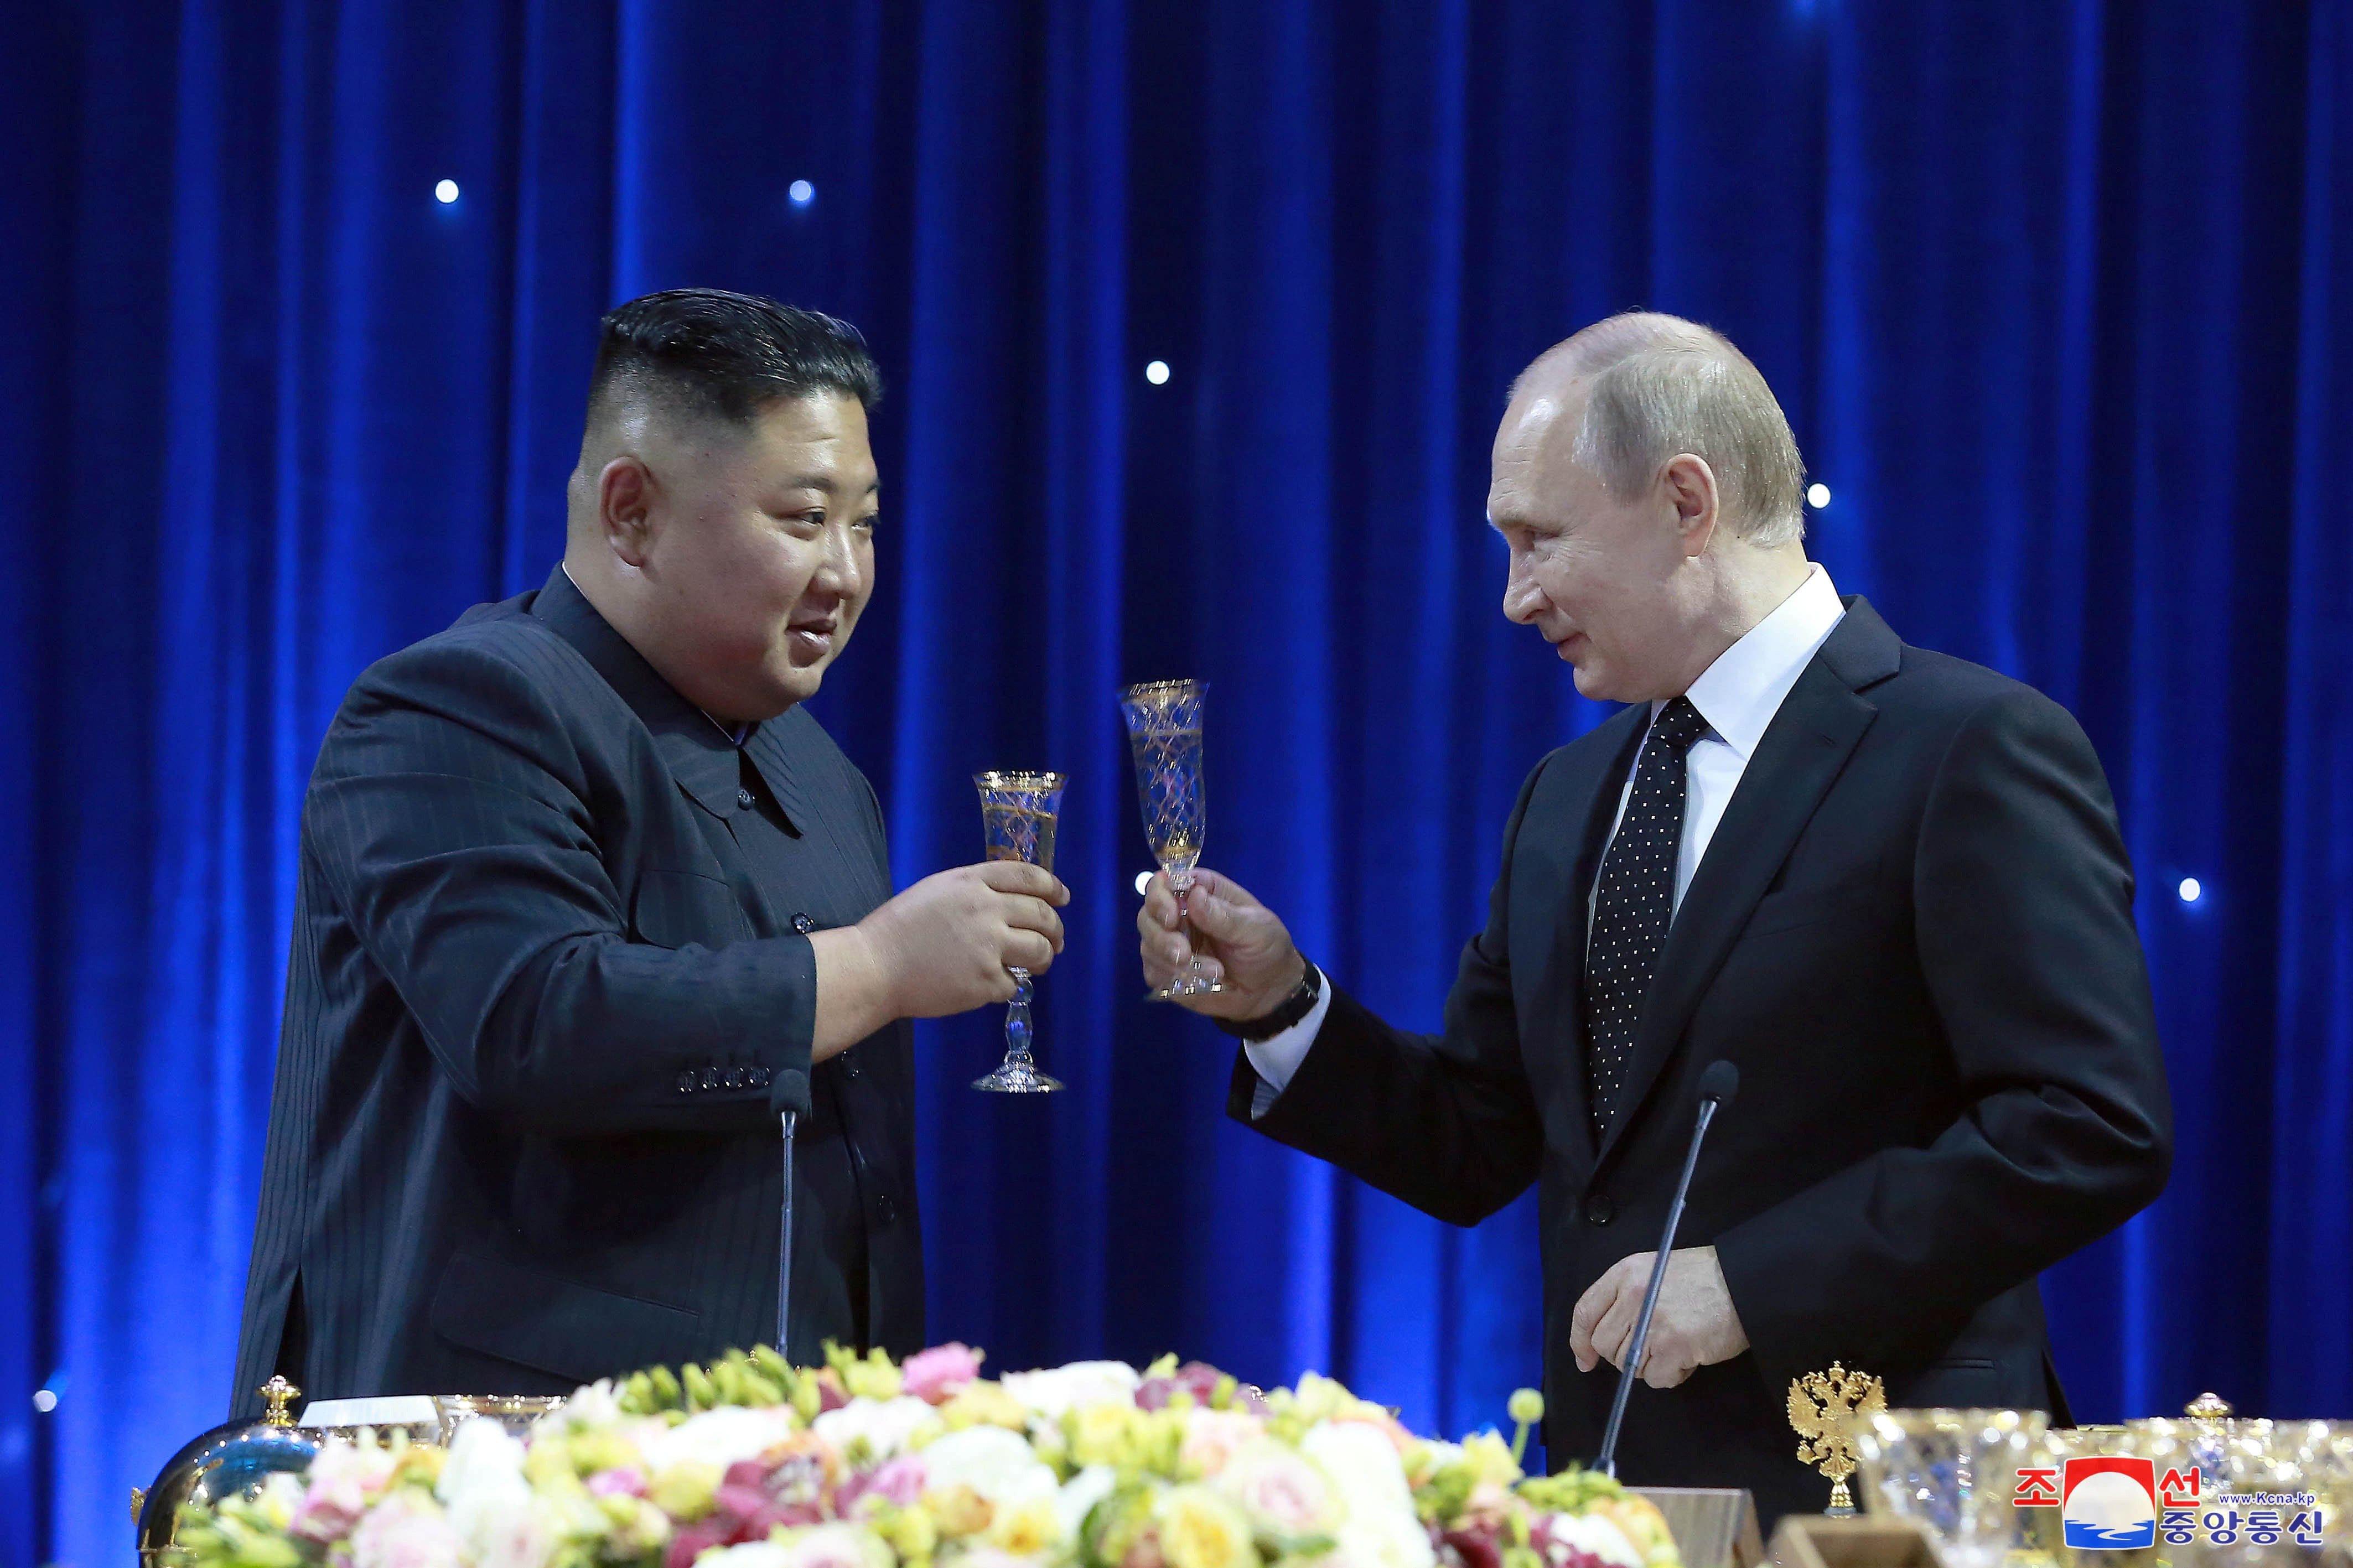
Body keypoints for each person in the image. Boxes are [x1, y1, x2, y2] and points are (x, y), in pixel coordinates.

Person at [1137, 313, 2172, 1523]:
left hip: (1890, 1497)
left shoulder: (1966, 748)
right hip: (1616, 1503)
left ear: (1685, 501)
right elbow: (1478, 1136)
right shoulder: (1566, 794)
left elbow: (2086, 1123)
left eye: (1539, 539)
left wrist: (1748, 1283)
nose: (1516, 598)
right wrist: (1282, 1008)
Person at [232, 289, 1067, 1413]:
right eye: (802, 517)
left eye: (864, 522)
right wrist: (874, 969)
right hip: (492, 1466)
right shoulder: (459, 703)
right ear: (629, 512)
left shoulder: (821, 775)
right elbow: (534, 1022)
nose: (846, 572)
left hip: (776, 1460)